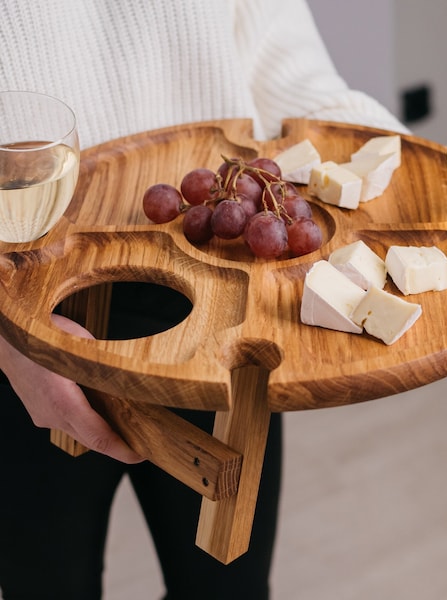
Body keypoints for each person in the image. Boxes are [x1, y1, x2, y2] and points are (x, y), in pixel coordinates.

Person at [0, 1, 408, 598]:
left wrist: (427, 205)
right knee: (47, 585)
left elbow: (301, 88)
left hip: (216, 297)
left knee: (228, 590)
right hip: (26, 325)